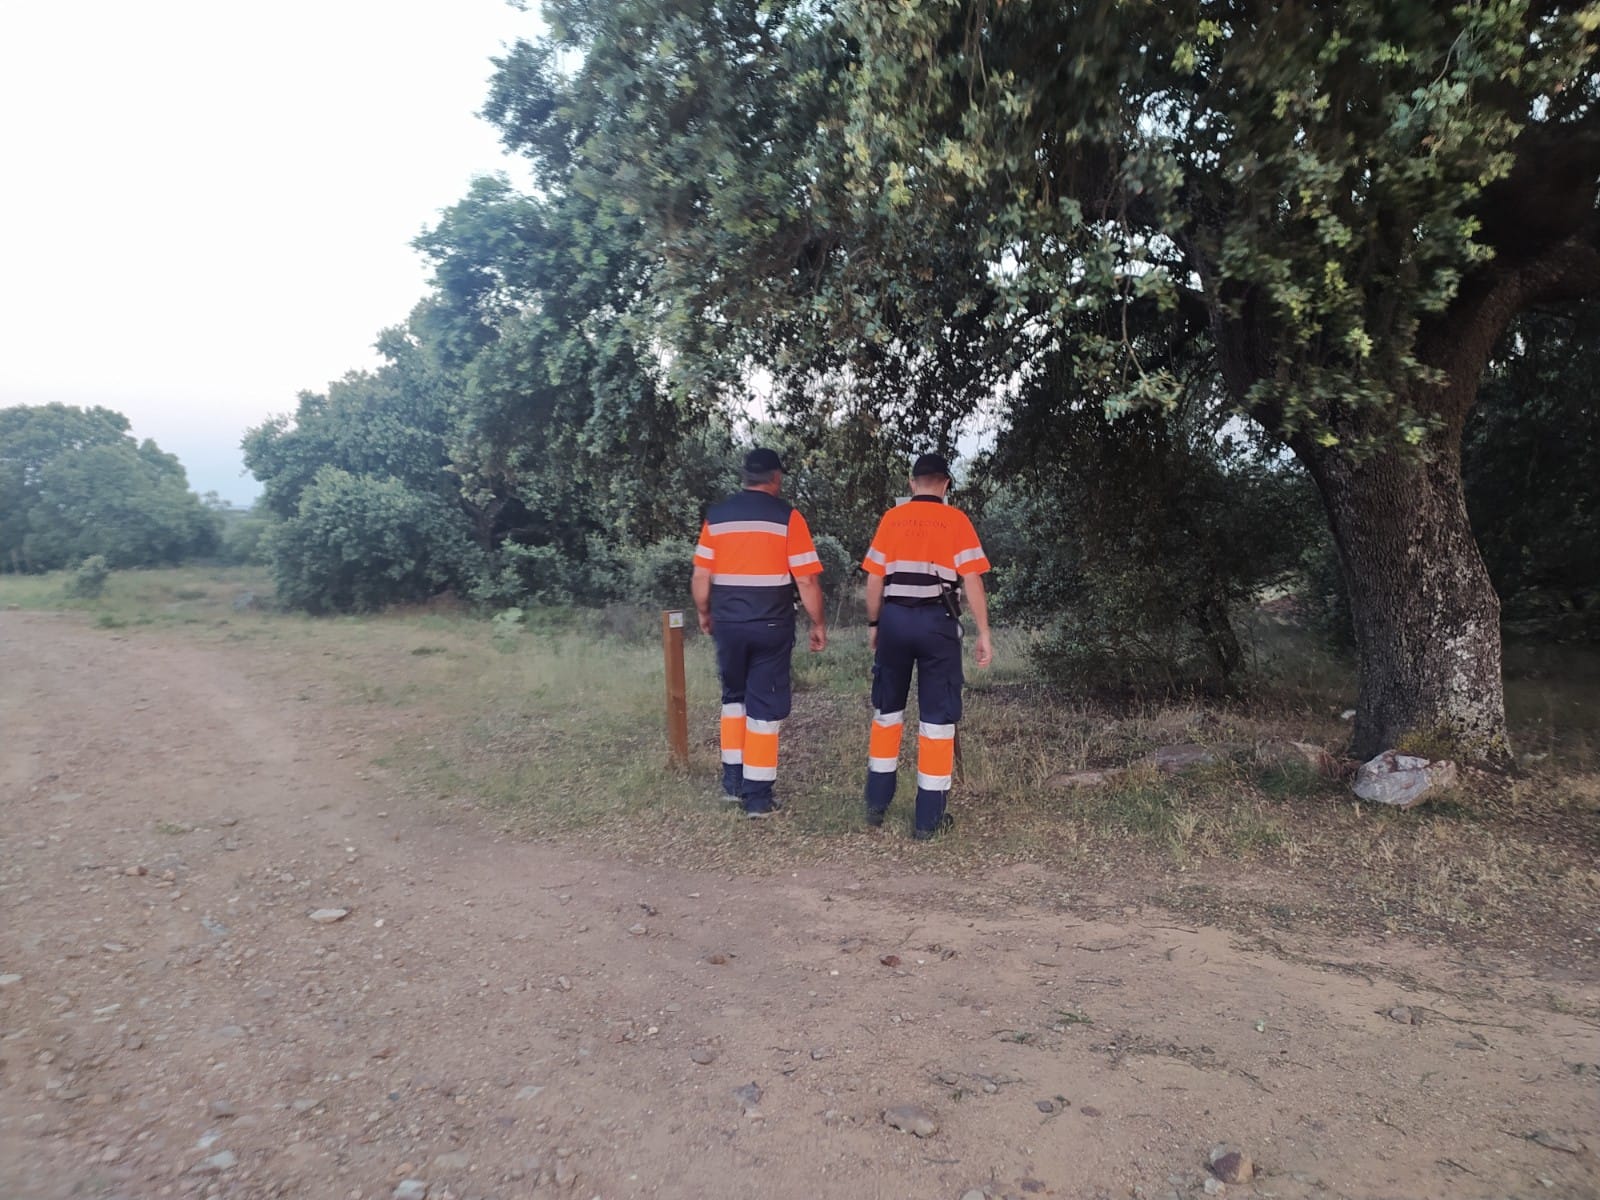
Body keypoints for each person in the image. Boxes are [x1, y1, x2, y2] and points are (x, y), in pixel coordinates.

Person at [860, 452, 993, 838]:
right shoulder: (957, 520)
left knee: (887, 713)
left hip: (895, 622)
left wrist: (874, 624)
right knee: (937, 720)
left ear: (912, 482)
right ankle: (928, 821)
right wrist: (983, 631)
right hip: (938, 624)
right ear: (946, 484)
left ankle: (876, 806)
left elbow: (874, 580)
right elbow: (972, 581)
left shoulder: (892, 518)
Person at [692, 448, 827, 817]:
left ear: (744, 476)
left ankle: (732, 785)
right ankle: (758, 798)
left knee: (733, 700)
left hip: (728, 626)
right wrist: (818, 623)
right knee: (764, 708)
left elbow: (702, 576)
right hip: (770, 625)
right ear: (776, 477)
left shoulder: (717, 518)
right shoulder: (787, 518)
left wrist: (705, 612)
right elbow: (807, 580)